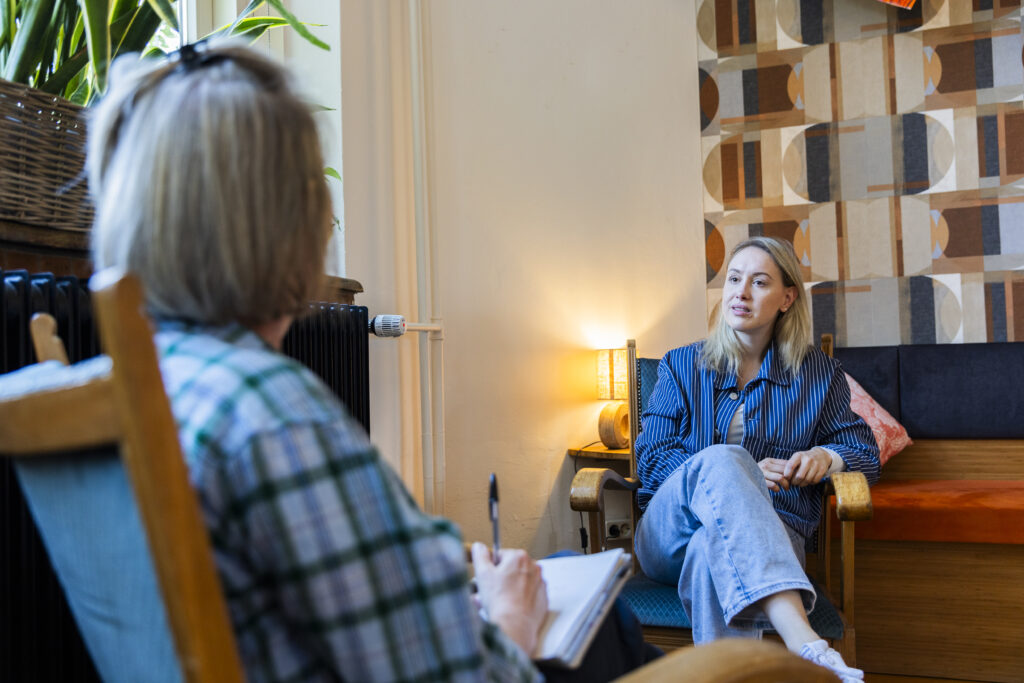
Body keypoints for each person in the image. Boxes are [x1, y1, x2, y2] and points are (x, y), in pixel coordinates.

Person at [86, 42, 649, 682]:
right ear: (296, 222)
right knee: (613, 630)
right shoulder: (272, 413)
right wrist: (511, 624)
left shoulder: (127, 390)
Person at [631, 237, 880, 683]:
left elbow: (864, 451)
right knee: (727, 460)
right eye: (733, 279)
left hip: (775, 531)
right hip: (669, 536)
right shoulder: (680, 364)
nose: (740, 292)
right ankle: (806, 642)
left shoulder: (819, 374)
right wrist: (740, 472)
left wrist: (825, 457)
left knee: (714, 549)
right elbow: (651, 460)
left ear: (787, 299)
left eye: (759, 282)